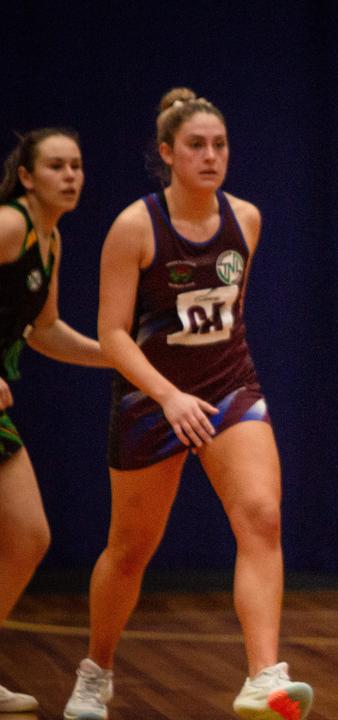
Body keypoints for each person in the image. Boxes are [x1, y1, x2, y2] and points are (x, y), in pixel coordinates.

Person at [62, 88, 313, 720]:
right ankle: (97, 671)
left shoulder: (246, 219)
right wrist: (169, 395)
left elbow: (232, 316)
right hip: (153, 400)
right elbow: (114, 334)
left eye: (220, 145)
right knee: (130, 549)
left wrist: (213, 388)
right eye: (196, 145)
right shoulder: (134, 226)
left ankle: (263, 674)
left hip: (230, 387)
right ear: (168, 153)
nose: (210, 156)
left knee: (261, 515)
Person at [0, 127, 105, 714]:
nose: (70, 176)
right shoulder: (10, 224)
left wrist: (118, 356)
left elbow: (45, 331)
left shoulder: (51, 238)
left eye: (77, 165)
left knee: (29, 536)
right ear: (26, 177)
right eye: (57, 166)